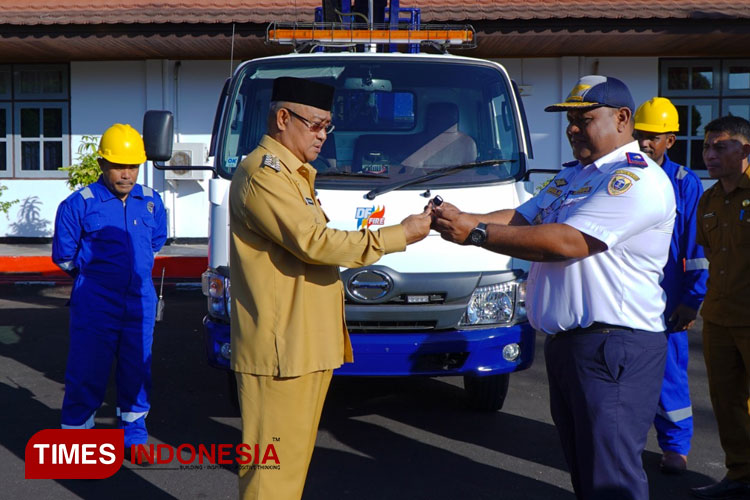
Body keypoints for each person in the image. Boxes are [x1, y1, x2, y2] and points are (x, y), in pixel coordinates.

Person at [431, 75, 675, 500]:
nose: (573, 128)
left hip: (614, 344)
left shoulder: (636, 181)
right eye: (570, 119)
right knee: (585, 469)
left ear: (622, 119)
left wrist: (476, 232)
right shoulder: (575, 176)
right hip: (574, 346)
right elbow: (523, 217)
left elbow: (568, 243)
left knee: (610, 477)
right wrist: (459, 217)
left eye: (585, 118)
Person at [228, 76, 432, 500]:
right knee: (270, 478)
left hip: (302, 345)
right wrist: (399, 235)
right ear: (283, 118)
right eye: (316, 124)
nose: (324, 135)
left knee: (290, 473)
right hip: (281, 350)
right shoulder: (264, 174)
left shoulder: (295, 174)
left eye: (328, 127)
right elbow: (315, 243)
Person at [52, 123, 167, 455]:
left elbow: (155, 241)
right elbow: (64, 255)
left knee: (137, 368)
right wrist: (97, 280)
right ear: (102, 164)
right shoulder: (79, 204)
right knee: (87, 369)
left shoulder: (151, 201)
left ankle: (134, 435)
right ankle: (77, 440)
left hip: (140, 301)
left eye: (133, 166)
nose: (127, 174)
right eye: (119, 166)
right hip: (95, 301)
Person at [633, 97, 708, 474]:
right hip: (626, 294)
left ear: (671, 141)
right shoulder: (623, 175)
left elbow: (695, 248)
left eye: (653, 137)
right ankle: (623, 444)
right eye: (640, 135)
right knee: (623, 375)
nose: (645, 143)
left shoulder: (684, 183)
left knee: (670, 375)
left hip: (666, 299)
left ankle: (675, 447)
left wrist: (692, 300)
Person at [691, 115, 750, 500]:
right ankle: (740, 476)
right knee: (725, 402)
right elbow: (710, 253)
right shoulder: (709, 199)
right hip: (719, 317)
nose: (710, 154)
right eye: (707, 146)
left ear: (745, 150)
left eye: (720, 146)